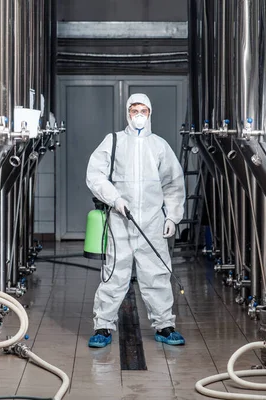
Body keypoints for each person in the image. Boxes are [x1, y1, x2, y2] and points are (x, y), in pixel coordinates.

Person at [85, 93, 186, 348]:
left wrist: (173, 216)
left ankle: (165, 325)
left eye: (143, 110)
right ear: (127, 113)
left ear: (150, 113)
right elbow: (95, 175)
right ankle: (103, 327)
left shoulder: (159, 146)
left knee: (157, 274)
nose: (138, 115)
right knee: (114, 275)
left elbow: (173, 183)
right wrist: (115, 198)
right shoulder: (114, 141)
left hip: (152, 222)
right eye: (134, 111)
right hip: (120, 221)